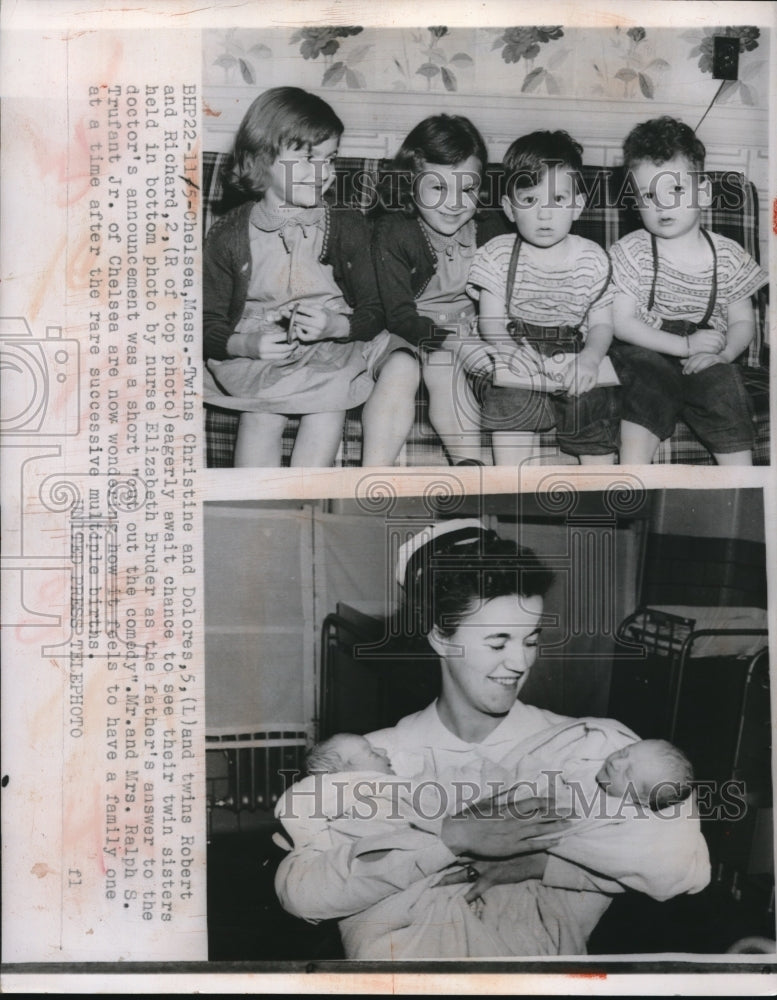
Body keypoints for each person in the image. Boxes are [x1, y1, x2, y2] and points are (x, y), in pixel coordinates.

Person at [274, 520, 710, 958]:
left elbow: (683, 868)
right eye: (498, 642)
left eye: (531, 640)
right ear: (441, 637)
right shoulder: (372, 760)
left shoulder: (597, 748)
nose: (520, 663)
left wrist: (543, 865)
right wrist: (449, 838)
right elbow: (300, 894)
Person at [203, 86, 420, 467]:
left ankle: (309, 507)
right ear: (261, 160)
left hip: (332, 346)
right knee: (261, 415)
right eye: (306, 159)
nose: (323, 173)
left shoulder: (346, 225)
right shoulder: (228, 234)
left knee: (328, 408)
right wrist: (245, 345)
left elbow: (375, 309)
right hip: (262, 350)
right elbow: (204, 323)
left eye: (330, 158)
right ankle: (257, 514)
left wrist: (336, 325)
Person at [609, 116, 768, 465]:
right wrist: (682, 344)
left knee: (723, 387)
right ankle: (632, 476)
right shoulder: (630, 250)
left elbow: (743, 323)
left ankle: (738, 489)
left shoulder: (729, 256)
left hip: (706, 354)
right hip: (646, 349)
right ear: (635, 201)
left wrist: (723, 355)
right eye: (649, 194)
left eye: (677, 190)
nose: (662, 204)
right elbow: (621, 323)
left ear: (704, 193)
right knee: (645, 382)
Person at [466, 130, 619, 466]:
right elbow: (489, 320)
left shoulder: (593, 258)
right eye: (530, 200)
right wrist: (508, 349)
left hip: (574, 350)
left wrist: (591, 357)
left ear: (577, 206)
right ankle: (512, 486)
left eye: (558, 200)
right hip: (518, 344)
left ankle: (597, 498)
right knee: (510, 397)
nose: (545, 214)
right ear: (509, 208)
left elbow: (602, 324)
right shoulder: (497, 253)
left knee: (591, 404)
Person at [371, 115, 510, 465]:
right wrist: (460, 343)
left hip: (467, 329)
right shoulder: (394, 230)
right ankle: (370, 475)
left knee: (445, 367)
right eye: (438, 188)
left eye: (467, 189)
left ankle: (469, 470)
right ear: (410, 183)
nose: (455, 202)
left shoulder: (491, 228)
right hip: (404, 331)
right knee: (419, 366)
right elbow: (399, 315)